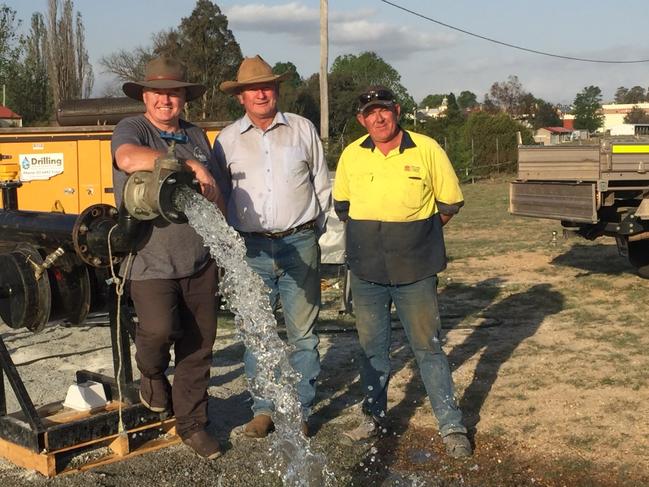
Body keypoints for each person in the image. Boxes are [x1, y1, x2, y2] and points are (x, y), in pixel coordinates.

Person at [332, 86, 472, 458]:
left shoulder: (426, 149)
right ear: (361, 119)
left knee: (428, 347)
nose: (377, 118)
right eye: (369, 113)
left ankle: (451, 424)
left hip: (416, 270)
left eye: (383, 110)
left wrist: (415, 235)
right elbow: (343, 207)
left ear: (396, 111)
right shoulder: (351, 155)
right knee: (372, 349)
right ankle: (372, 418)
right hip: (366, 272)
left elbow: (449, 204)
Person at [111, 56, 226, 459]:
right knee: (158, 331)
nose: (166, 100)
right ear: (145, 96)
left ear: (183, 98)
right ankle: (152, 373)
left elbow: (216, 189)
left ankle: (192, 424)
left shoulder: (197, 133)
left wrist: (221, 218)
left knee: (199, 345)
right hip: (150, 259)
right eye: (158, 92)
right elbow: (127, 159)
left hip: (200, 260)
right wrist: (191, 165)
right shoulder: (133, 128)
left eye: (173, 93)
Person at [214, 55, 331, 438]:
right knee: (257, 334)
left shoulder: (302, 129)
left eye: (267, 86)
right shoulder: (227, 140)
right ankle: (263, 410)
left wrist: (319, 234)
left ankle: (298, 409)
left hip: (300, 241)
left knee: (303, 337)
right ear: (241, 98)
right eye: (253, 89)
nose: (261, 93)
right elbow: (220, 195)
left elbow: (321, 184)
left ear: (277, 90)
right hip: (252, 251)